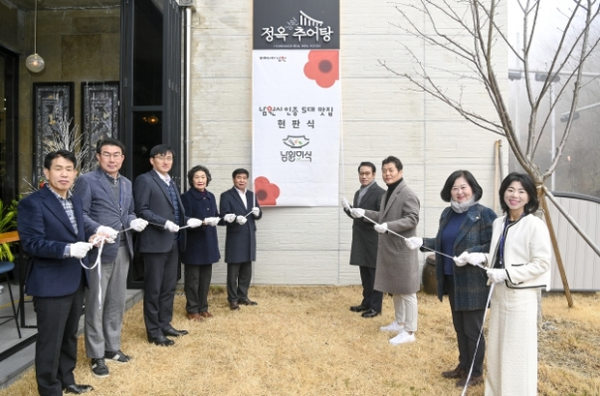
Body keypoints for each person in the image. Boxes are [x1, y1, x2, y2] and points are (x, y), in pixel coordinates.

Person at [459, 172, 551, 396]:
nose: (515, 195)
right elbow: (499, 256)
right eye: (510, 190)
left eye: (521, 191)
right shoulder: (500, 223)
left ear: (529, 197)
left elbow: (542, 264)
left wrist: (508, 274)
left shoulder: (534, 225)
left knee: (517, 352)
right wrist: (480, 258)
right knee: (498, 349)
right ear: (503, 194)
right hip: (499, 295)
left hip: (521, 299)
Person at [404, 170, 496, 387]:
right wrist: (422, 243)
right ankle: (463, 366)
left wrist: (473, 253)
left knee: (472, 330)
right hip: (451, 278)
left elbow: (493, 245)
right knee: (459, 327)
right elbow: (443, 243)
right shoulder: (447, 213)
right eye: (455, 188)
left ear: (473, 188)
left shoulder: (484, 214)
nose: (459, 192)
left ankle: (475, 373)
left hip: (473, 282)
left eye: (463, 187)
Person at [17, 150, 96, 395]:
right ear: (46, 172)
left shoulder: (75, 201)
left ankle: (66, 379)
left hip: (75, 280)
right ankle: (49, 389)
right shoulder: (32, 203)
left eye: (69, 169)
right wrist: (68, 249)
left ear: (75, 173)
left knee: (70, 336)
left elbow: (77, 235)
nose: (64, 174)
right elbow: (31, 244)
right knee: (50, 341)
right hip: (50, 282)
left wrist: (92, 238)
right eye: (58, 168)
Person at [73, 138, 148, 378]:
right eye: (107, 154)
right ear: (98, 157)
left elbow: (128, 212)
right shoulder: (86, 181)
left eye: (117, 155)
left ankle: (111, 347)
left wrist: (132, 221)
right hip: (99, 251)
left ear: (123, 158)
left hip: (123, 249)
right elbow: (80, 214)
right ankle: (96, 355)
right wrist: (98, 228)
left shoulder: (126, 183)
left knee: (116, 302)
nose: (112, 159)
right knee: (96, 303)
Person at [133, 144, 203, 346]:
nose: (166, 161)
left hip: (173, 242)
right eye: (161, 157)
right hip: (154, 244)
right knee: (154, 289)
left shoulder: (171, 182)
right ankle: (153, 332)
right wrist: (163, 223)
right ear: (152, 160)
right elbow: (142, 210)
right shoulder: (145, 180)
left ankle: (165, 324)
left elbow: (175, 211)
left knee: (168, 288)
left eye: (169, 158)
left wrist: (187, 220)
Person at [351, 156, 420, 345]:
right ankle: (399, 322)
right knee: (395, 289)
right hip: (390, 250)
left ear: (400, 171)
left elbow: (412, 219)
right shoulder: (389, 192)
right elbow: (381, 215)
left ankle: (410, 331)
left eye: (391, 170)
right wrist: (364, 213)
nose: (387, 174)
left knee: (407, 291)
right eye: (384, 170)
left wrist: (389, 226)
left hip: (402, 249)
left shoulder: (407, 193)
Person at [342, 161, 386, 318]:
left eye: (367, 173)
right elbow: (357, 215)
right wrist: (348, 209)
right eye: (361, 173)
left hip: (373, 239)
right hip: (360, 238)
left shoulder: (380, 192)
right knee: (365, 273)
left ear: (374, 175)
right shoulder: (358, 192)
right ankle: (366, 302)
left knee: (374, 274)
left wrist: (364, 213)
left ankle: (376, 306)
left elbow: (383, 216)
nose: (364, 176)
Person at [180, 165, 221, 321]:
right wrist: (195, 221)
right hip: (194, 244)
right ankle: (192, 309)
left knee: (205, 279)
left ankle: (203, 307)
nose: (200, 180)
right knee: (193, 279)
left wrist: (220, 218)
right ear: (191, 180)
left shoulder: (210, 196)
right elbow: (183, 219)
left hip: (209, 243)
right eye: (196, 177)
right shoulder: (187, 197)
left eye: (203, 177)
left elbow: (216, 215)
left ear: (207, 179)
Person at [219, 168, 262, 310]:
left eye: (244, 178)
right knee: (233, 271)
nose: (242, 180)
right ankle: (233, 299)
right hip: (235, 237)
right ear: (233, 179)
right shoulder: (226, 195)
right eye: (239, 177)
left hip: (249, 236)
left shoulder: (251, 195)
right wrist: (235, 219)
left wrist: (257, 213)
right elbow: (224, 216)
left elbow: (258, 214)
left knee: (246, 269)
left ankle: (243, 296)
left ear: (247, 180)